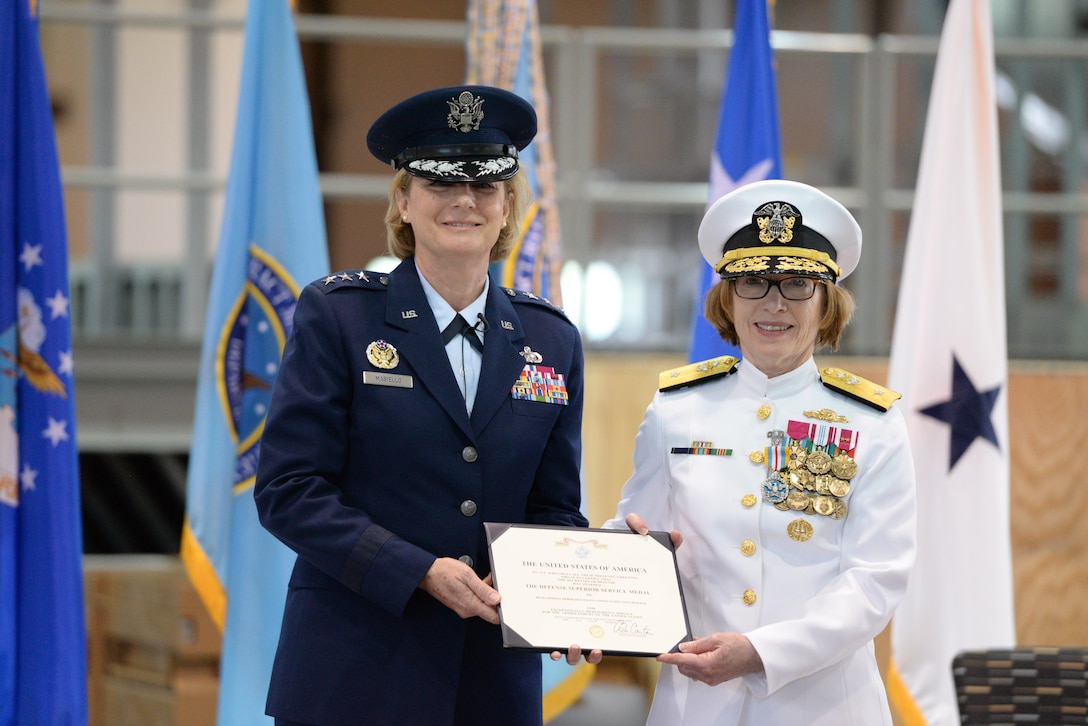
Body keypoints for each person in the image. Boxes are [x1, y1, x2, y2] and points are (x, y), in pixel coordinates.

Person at [254, 85, 596, 726]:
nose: (464, 200)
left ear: (506, 209)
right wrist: (415, 571)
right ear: (405, 203)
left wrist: (576, 596)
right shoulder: (340, 316)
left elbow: (553, 509)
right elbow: (289, 489)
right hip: (353, 673)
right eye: (440, 183)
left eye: (486, 186)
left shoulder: (551, 338)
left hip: (491, 685)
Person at [603, 179, 917, 725]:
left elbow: (876, 580)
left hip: (824, 707)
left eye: (797, 284)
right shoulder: (674, 410)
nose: (773, 304)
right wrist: (596, 577)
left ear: (827, 302)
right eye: (752, 282)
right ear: (728, 298)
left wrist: (761, 653)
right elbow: (636, 534)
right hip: (696, 705)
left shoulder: (873, 423)